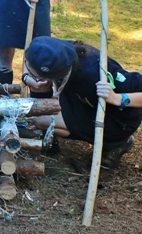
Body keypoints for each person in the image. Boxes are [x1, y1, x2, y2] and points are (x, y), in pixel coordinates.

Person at [27, 37, 142, 169]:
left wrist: (118, 98)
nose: (28, 69)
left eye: (33, 73)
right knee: (39, 109)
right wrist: (29, 80)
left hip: (118, 120)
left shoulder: (94, 73)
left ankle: (117, 143)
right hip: (83, 103)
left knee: (40, 120)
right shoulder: (58, 53)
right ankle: (49, 140)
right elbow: (30, 64)